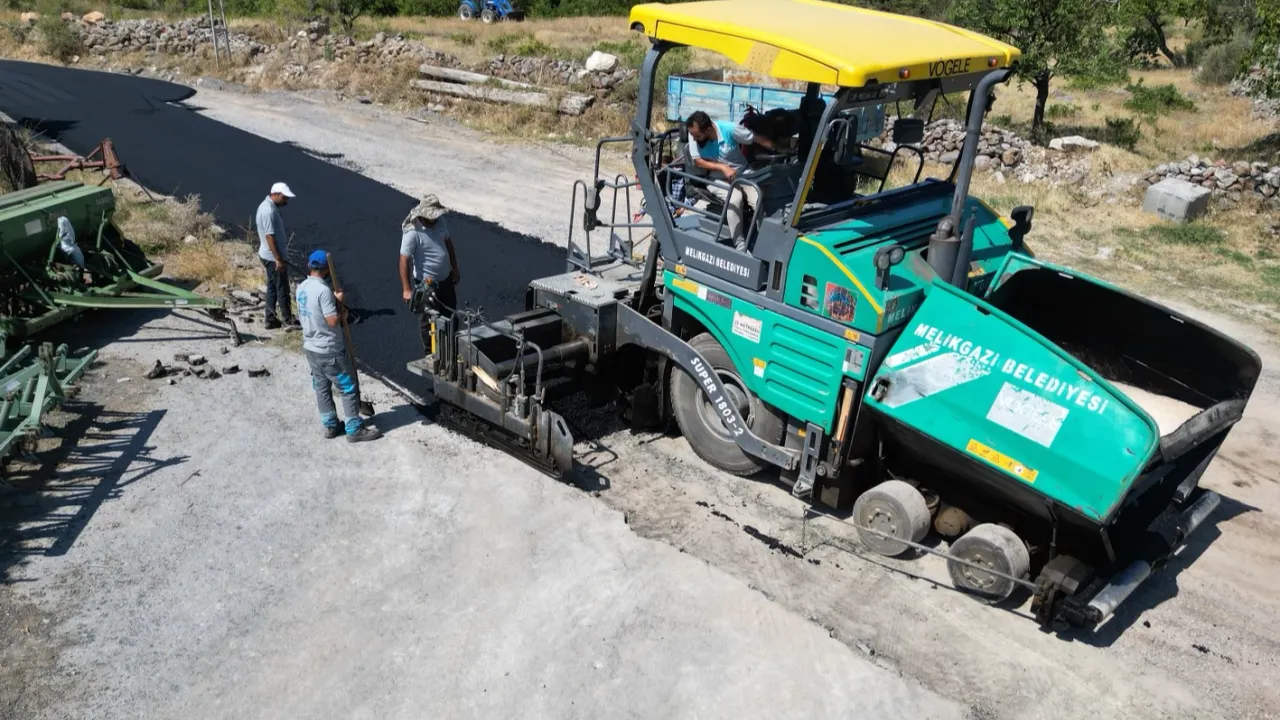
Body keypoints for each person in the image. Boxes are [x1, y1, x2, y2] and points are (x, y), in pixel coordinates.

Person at [297, 249, 382, 443]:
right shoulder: (323, 291)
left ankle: (331, 425)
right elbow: (332, 321)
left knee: (321, 387)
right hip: (328, 350)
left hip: (310, 347)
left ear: (309, 266)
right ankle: (354, 429)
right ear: (327, 269)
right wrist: (341, 306)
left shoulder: (301, 287)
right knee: (347, 387)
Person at [684, 110, 775, 251]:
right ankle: (739, 243)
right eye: (693, 135)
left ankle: (764, 240)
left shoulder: (729, 129)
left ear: (708, 129)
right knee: (735, 199)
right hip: (716, 178)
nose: (694, 139)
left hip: (742, 174)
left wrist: (776, 148)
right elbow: (698, 161)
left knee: (758, 199)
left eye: (698, 136)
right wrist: (722, 167)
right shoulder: (694, 134)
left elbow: (753, 137)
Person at [398, 195, 460, 355]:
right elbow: (404, 260)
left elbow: (448, 243)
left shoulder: (439, 222)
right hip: (426, 285)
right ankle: (431, 354)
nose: (436, 219)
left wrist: (454, 267)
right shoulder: (413, 232)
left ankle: (452, 348)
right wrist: (407, 289)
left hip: (446, 280)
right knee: (427, 321)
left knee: (451, 315)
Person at [256, 182, 300, 330]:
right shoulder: (268, 211)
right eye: (284, 197)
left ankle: (270, 319)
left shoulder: (268, 207)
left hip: (269, 256)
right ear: (274, 194)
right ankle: (288, 320)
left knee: (272, 287)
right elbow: (269, 237)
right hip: (272, 257)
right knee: (283, 289)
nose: (286, 200)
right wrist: (278, 259)